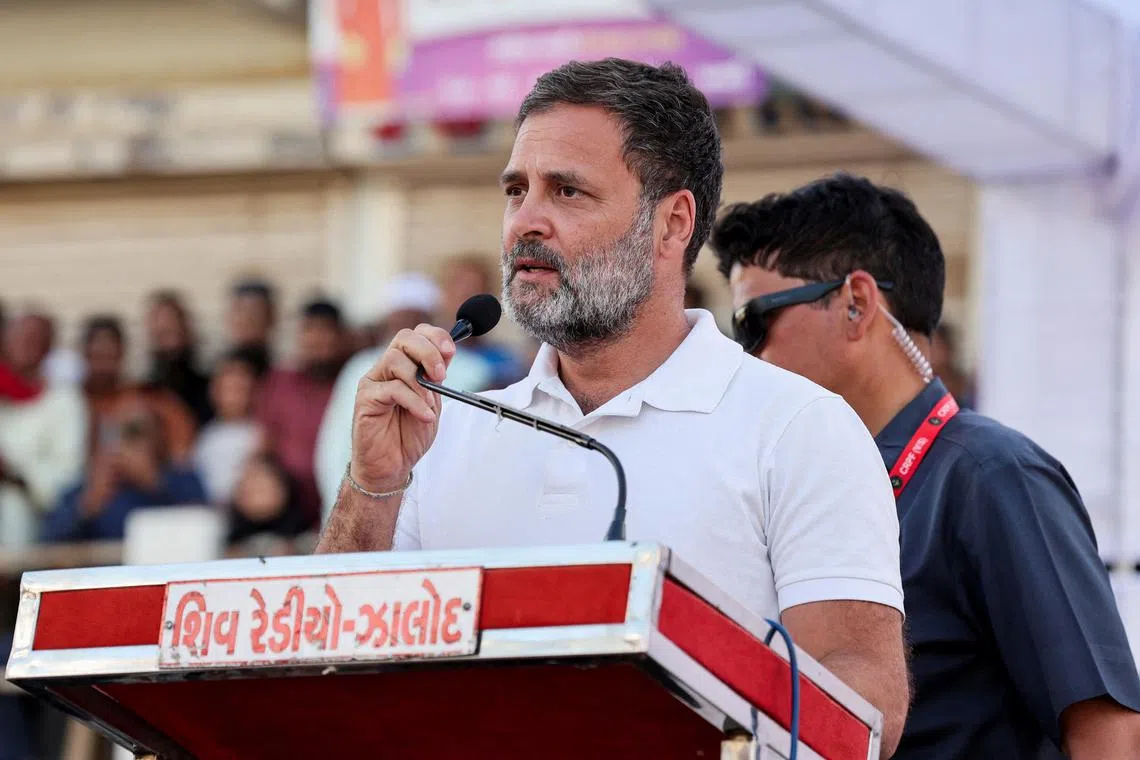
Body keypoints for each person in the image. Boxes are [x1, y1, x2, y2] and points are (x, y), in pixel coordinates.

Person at [316, 58, 909, 755]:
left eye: (567, 191)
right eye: (516, 190)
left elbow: (863, 700)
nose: (526, 222)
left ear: (671, 223)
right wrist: (374, 484)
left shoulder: (798, 428)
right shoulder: (446, 428)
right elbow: (327, 672)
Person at [710, 172, 1140, 759]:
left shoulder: (992, 475)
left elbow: (1107, 728)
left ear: (857, 304)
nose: (747, 353)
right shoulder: (799, 482)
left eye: (754, 322)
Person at [313, 272, 495, 520]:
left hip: (443, 505)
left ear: (430, 319)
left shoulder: (472, 370)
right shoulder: (361, 366)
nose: (406, 324)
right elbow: (334, 447)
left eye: (414, 316)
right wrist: (347, 505)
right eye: (400, 316)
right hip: (370, 500)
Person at [43, 402, 207, 542]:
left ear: (158, 438)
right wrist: (87, 506)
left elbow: (202, 526)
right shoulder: (85, 489)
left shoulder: (183, 480)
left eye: (134, 432)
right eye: (111, 433)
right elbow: (47, 543)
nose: (122, 442)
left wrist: (154, 484)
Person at [257, 298, 348, 529]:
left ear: (340, 336)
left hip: (343, 503)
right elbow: (265, 446)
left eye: (325, 331)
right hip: (287, 511)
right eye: (310, 330)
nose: (317, 340)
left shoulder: (354, 380)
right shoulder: (279, 382)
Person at [0, 311, 88, 548]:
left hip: (32, 512)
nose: (25, 345)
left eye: (33, 338)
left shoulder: (65, 401)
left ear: (48, 347)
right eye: (18, 337)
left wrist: (13, 473)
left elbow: (67, 473)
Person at [81, 315, 198, 464]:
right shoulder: (73, 402)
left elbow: (182, 446)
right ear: (85, 356)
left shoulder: (149, 397)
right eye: (97, 356)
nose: (103, 366)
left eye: (109, 356)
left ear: (122, 353)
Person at [193, 348, 263, 505]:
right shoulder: (204, 436)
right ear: (214, 392)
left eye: (240, 389)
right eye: (228, 389)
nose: (234, 397)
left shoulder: (260, 434)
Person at [145, 290, 213, 427]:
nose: (169, 326)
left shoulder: (209, 389)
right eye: (163, 333)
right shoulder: (146, 391)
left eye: (174, 326)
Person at [226, 279, 277, 378]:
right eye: (240, 311)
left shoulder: (283, 375)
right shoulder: (216, 374)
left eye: (255, 312)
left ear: (271, 318)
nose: (246, 319)